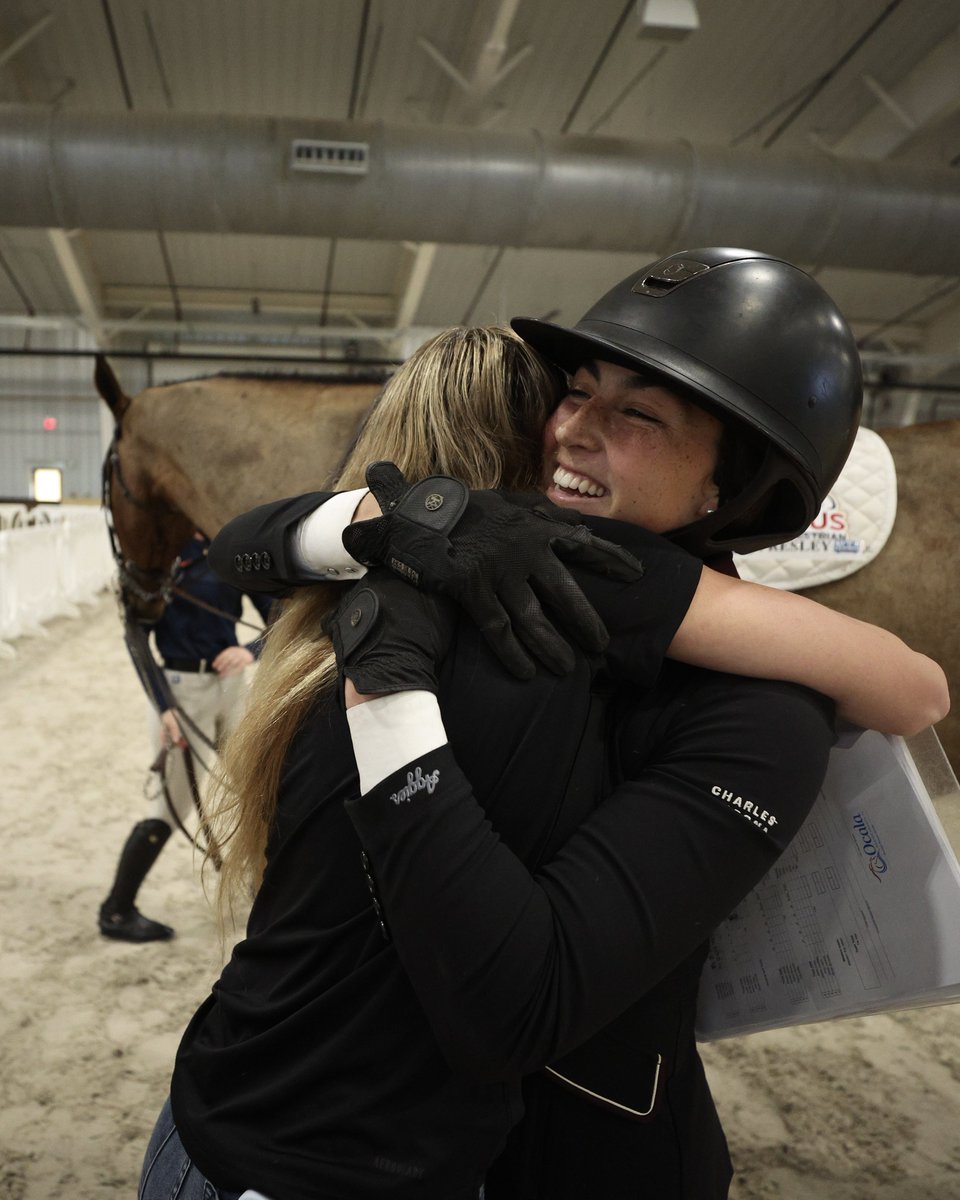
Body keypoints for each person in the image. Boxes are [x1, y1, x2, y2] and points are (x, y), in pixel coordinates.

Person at [139, 252, 946, 1200]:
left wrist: (389, 691)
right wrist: (411, 522)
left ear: (732, 486)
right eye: (576, 391)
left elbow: (914, 689)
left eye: (636, 412)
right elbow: (252, 541)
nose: (572, 430)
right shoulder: (479, 560)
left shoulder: (753, 707)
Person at [99, 531, 274, 943]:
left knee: (261, 786)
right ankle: (117, 911)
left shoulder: (230, 544)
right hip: (180, 690)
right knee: (171, 804)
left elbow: (280, 615)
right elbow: (135, 634)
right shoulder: (160, 552)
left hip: (231, 684)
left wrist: (251, 649)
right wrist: (164, 706)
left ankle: (264, 881)